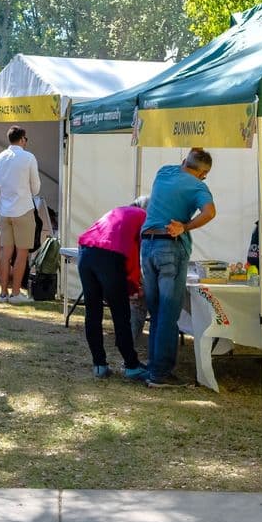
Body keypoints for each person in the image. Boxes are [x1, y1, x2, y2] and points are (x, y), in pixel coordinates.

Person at [138, 148, 216, 389]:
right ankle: (160, 373)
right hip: (170, 247)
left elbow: (188, 160)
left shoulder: (164, 172)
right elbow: (210, 212)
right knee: (169, 313)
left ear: (184, 161)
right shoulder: (198, 186)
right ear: (203, 173)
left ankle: (153, 365)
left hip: (147, 246)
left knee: (156, 311)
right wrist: (185, 226)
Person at [77, 197, 149, 379]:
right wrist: (133, 286)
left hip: (85, 253)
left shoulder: (118, 210)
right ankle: (131, 365)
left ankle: (99, 364)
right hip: (110, 257)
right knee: (120, 313)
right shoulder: (144, 216)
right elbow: (134, 253)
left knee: (93, 312)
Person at [0, 125, 42, 304]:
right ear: (22, 139)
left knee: (5, 252)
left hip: (4, 210)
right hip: (23, 209)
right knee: (22, 253)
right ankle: (16, 293)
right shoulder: (28, 157)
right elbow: (35, 188)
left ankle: (3, 293)